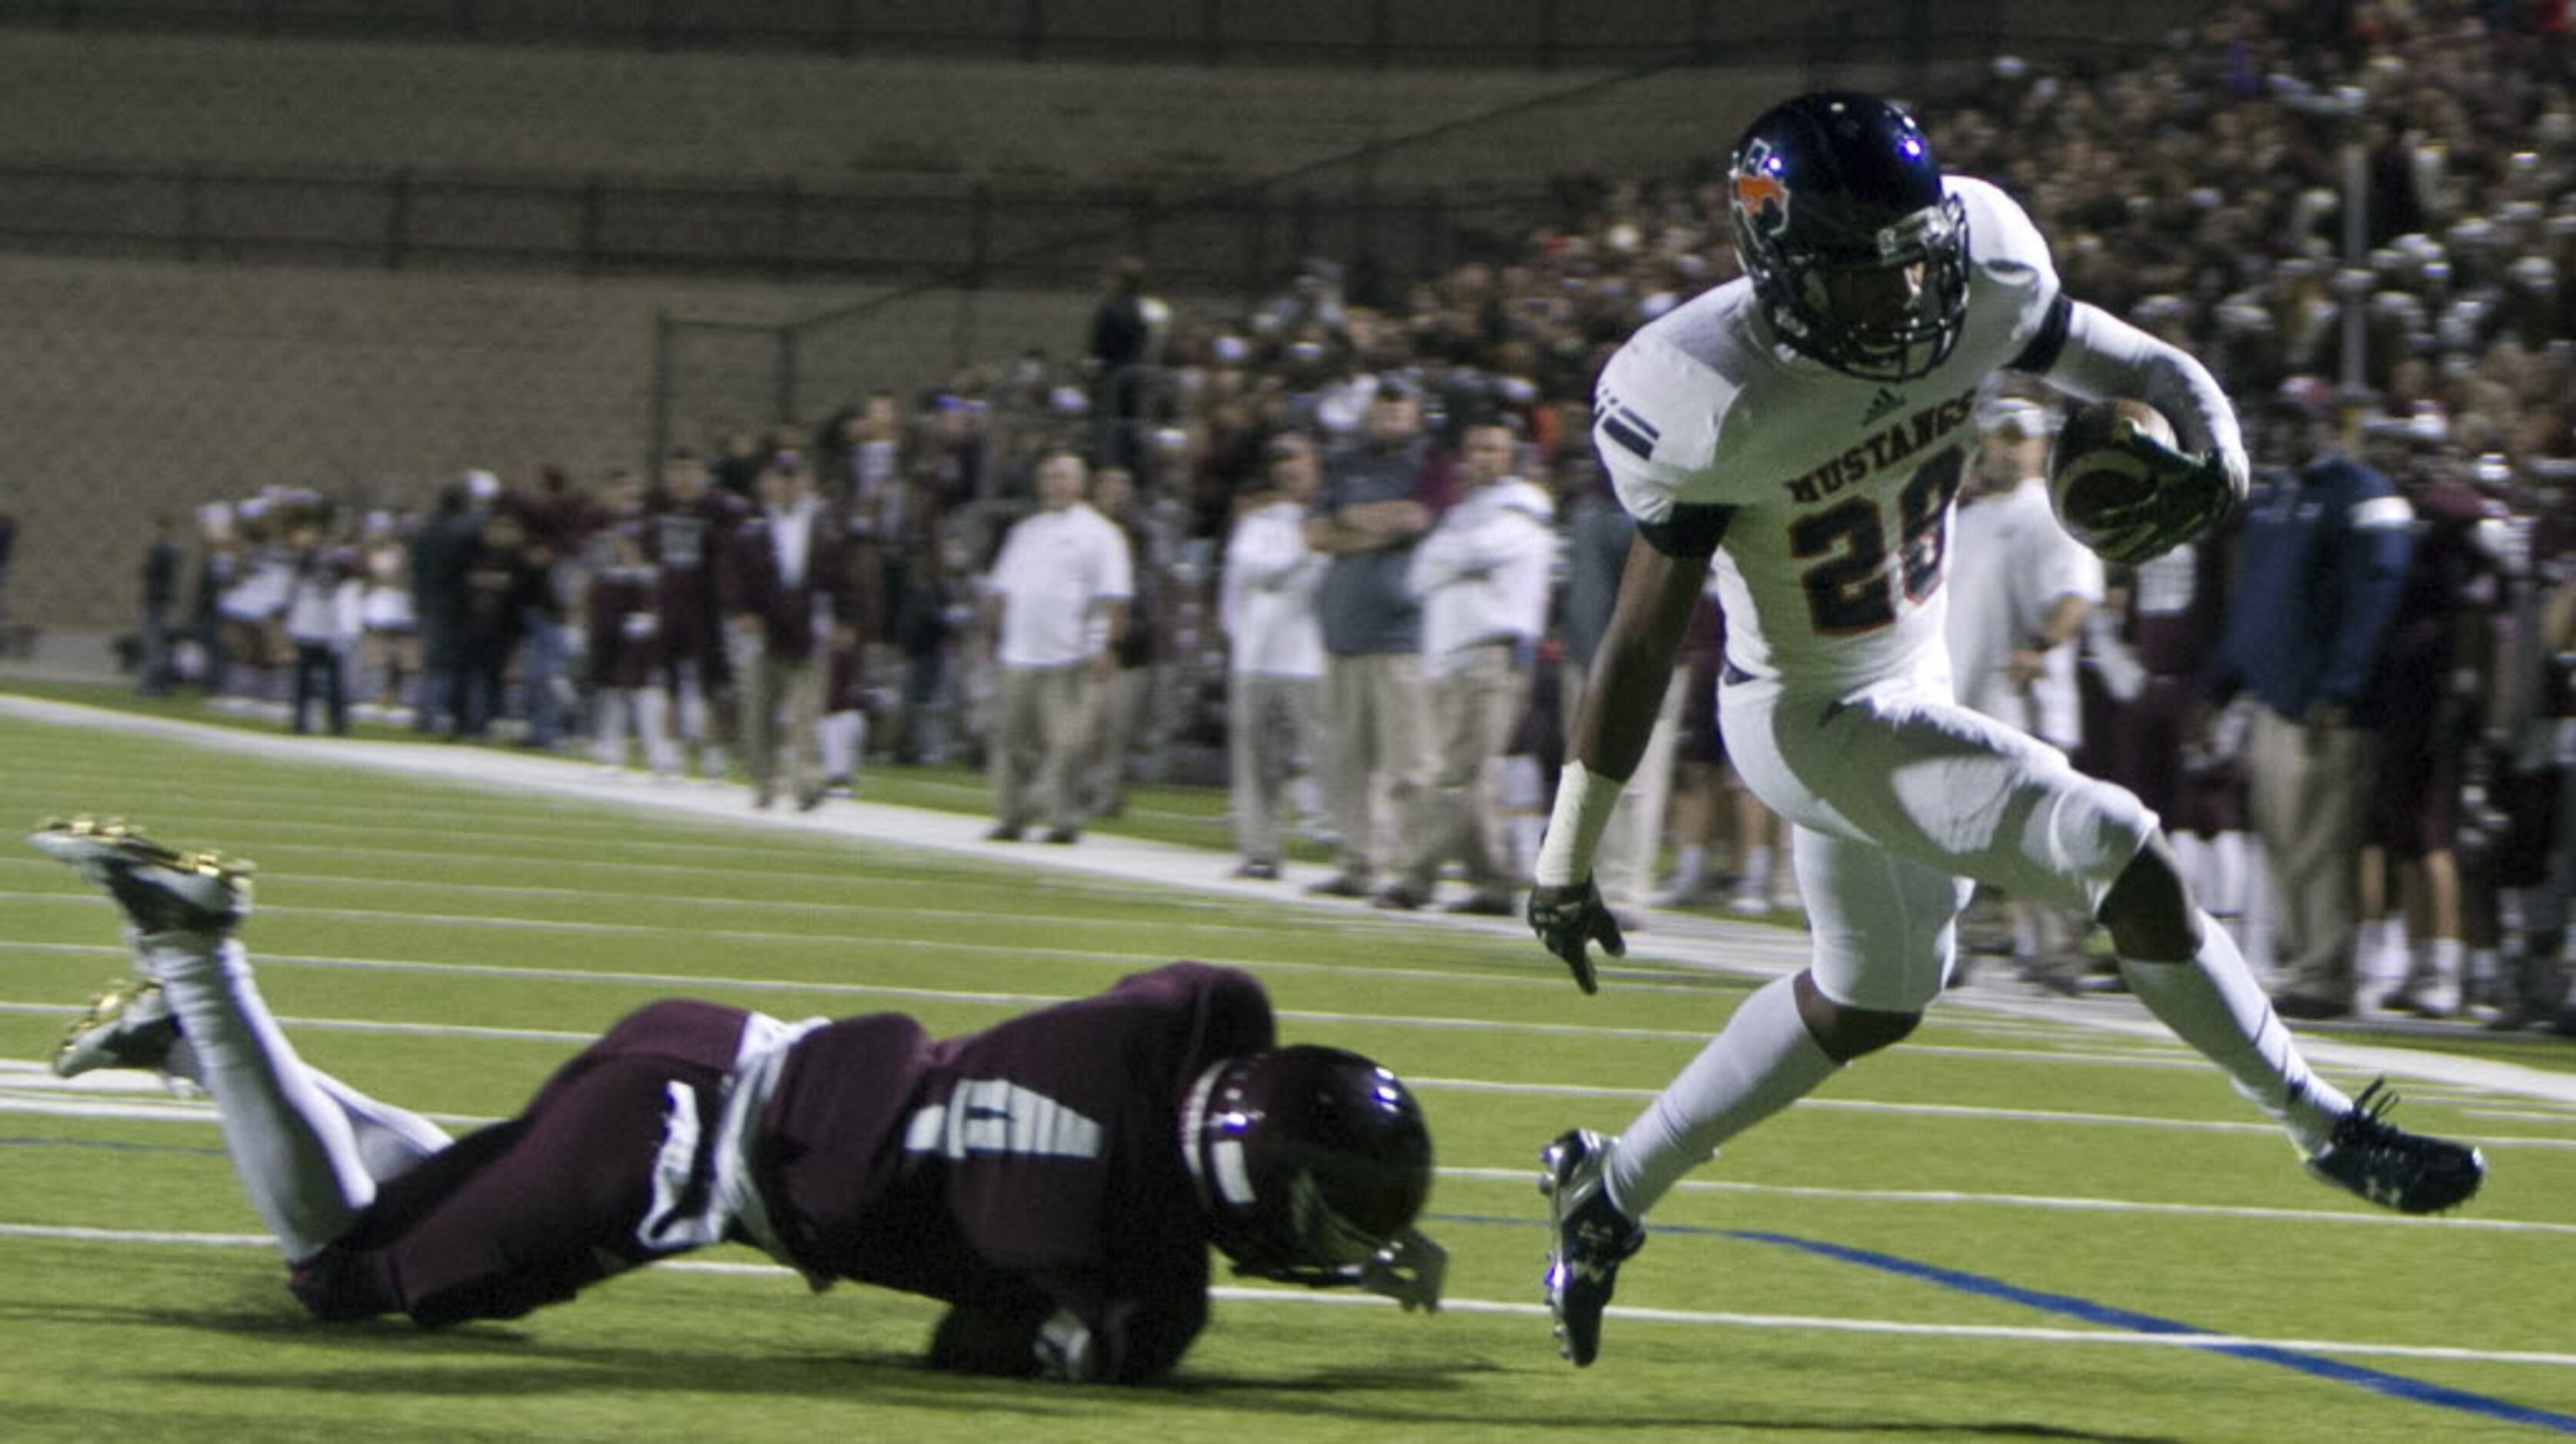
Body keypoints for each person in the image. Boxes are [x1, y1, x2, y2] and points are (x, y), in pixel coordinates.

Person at [1520, 91, 2488, 1370]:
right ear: (1783, 268)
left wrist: (2221, 447)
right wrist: (1564, 857)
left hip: (1916, 672)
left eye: (1922, 262)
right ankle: (2320, 1122)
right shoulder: (1708, 394)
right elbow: (1641, 639)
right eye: (1869, 279)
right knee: (2116, 841)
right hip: (1807, 714)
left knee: (1873, 997)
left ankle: (1610, 1187)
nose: (1910, 300)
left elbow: (2131, 362)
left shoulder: (1978, 266)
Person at [30, 818, 1443, 1384]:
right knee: (347, 1270)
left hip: (716, 1040)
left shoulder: (1185, 1023)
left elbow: (1193, 998)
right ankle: (194, 956)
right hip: (681, 1161)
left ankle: (182, 1043)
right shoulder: (1140, 1279)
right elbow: (964, 1345)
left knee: (434, 1188)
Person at [2207, 381, 2417, 1020]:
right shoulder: (2276, 498)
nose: (2281, 434)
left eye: (2297, 421)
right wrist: (2220, 686)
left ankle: (2327, 973)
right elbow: (2254, 604)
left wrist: (2343, 686)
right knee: (2282, 837)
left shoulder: (2364, 494)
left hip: (2326, 705)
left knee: (2322, 844)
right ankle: (2303, 963)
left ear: (2330, 426)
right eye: (2274, 420)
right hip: (2275, 699)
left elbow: (2376, 596)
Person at [1942, 394, 2105, 988]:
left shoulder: (2050, 513)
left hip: (2024, 705)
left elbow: (2076, 594)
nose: (2008, 448)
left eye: (2020, 437)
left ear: (2041, 446)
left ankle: (2059, 949)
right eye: (1999, 436)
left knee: (2037, 836)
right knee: (1963, 833)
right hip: (1968, 703)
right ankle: (1970, 939)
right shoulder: (1972, 516)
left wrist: (2040, 647)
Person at [1377, 419, 1559, 915]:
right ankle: (1494, 881)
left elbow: (1474, 553)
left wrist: (1447, 558)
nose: (1483, 458)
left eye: (1494, 449)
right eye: (1476, 447)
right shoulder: (1465, 512)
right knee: (1469, 776)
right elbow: (1422, 574)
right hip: (1451, 655)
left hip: (1491, 657)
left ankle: (1417, 877)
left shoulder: (1524, 510)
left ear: (1512, 456)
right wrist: (1449, 559)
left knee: (1455, 772)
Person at [1304, 383, 1438, 899]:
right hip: (1343, 632)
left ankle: (1412, 869)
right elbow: (1315, 533)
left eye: (1399, 404)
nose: (1388, 412)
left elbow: (1419, 519)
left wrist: (1352, 525)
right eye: (1381, 403)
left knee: (1409, 763)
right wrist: (1383, 527)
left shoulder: (1430, 461)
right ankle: (1360, 862)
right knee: (1346, 761)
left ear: (1416, 413)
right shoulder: (1346, 461)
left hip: (1401, 635)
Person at [979, 450, 1133, 844]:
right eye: (1049, 476)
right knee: (1012, 740)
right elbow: (1001, 590)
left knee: (1068, 743)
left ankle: (1063, 818)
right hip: (1020, 651)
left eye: (1063, 477)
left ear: (1080, 484)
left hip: (1069, 655)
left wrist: (1104, 646)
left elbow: (1113, 597)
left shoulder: (1100, 533)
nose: (1056, 484)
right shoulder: (1026, 531)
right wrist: (988, 632)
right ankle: (1012, 814)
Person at [1220, 433, 1330, 880]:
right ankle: (1260, 851)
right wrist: (1239, 639)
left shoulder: (1332, 518)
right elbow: (1245, 577)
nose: (1288, 467)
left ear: (1315, 464)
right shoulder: (1260, 522)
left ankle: (1357, 851)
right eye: (1279, 459)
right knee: (1255, 761)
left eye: (1296, 458)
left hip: (1311, 658)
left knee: (1329, 759)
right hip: (1256, 658)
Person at [723, 452, 854, 811]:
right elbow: (734, 577)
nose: (787, 485)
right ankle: (764, 781)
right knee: (758, 713)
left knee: (805, 713)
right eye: (781, 477)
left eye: (794, 477)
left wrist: (845, 620)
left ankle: (804, 783)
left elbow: (840, 579)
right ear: (770, 483)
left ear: (806, 481)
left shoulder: (825, 529)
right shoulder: (753, 529)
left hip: (808, 631)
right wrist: (743, 612)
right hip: (764, 633)